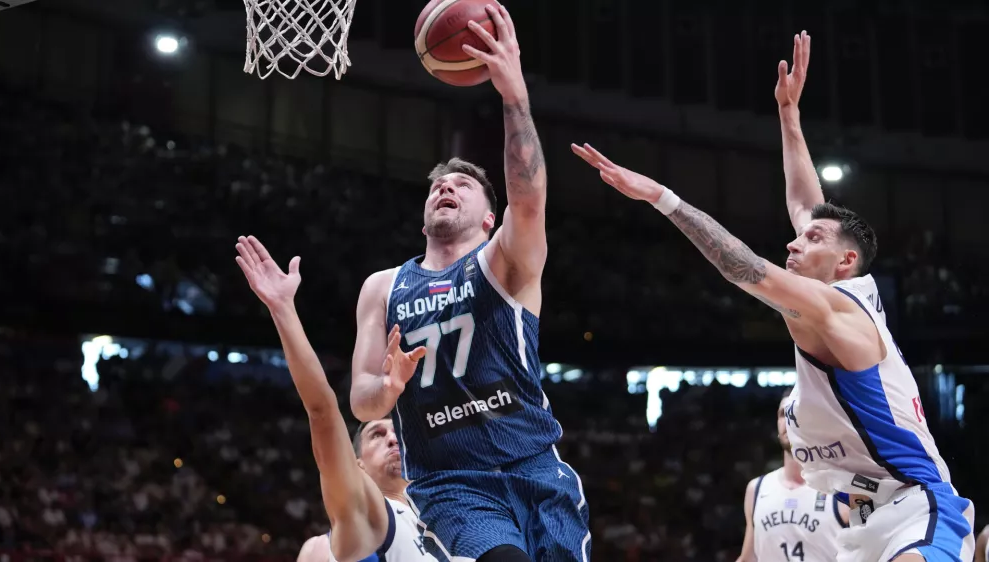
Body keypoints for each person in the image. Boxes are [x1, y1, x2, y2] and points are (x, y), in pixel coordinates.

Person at [572, 30, 973, 562]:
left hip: (917, 510)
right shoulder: (846, 287)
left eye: (812, 240)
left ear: (845, 261)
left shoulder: (834, 310)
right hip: (859, 523)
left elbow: (742, 268)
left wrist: (661, 197)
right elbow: (809, 207)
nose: (794, 237)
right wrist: (789, 117)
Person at [348, 5, 589, 562]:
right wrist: (385, 391)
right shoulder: (383, 287)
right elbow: (361, 400)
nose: (445, 189)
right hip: (451, 482)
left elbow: (528, 198)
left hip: (534, 464)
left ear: (489, 219)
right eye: (438, 186)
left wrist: (514, 96)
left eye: (461, 185)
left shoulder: (504, 265)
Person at [235, 236, 444, 562]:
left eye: (398, 433)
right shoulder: (346, 535)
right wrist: (283, 310)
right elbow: (322, 410)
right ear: (356, 463)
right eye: (377, 434)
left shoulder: (461, 523)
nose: (393, 439)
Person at [737, 389, 848, 562]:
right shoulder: (757, 489)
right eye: (783, 414)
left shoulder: (840, 488)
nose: (788, 421)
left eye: (795, 412)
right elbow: (748, 558)